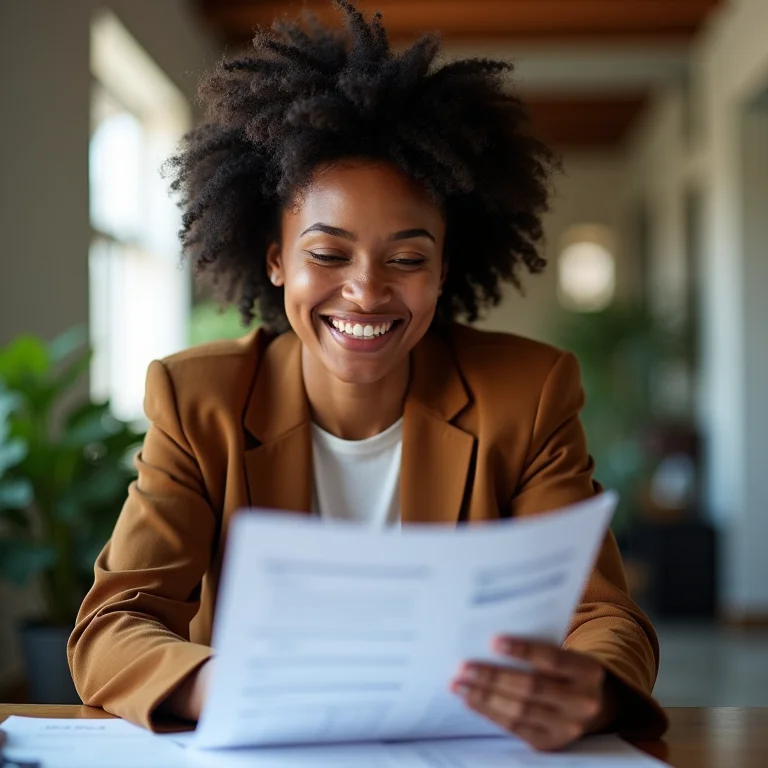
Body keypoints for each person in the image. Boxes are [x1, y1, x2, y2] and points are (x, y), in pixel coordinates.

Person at [67, 0, 667, 752]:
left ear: (445, 268)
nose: (366, 290)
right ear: (276, 257)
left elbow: (608, 619)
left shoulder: (528, 393)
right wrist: (226, 683)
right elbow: (113, 625)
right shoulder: (201, 402)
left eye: (407, 259)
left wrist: (589, 687)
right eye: (327, 254)